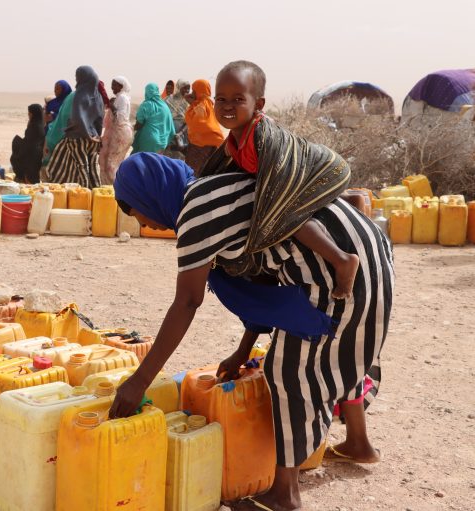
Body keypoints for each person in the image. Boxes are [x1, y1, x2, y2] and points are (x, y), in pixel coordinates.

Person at [110, 152, 393, 511]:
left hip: (340, 274)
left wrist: (140, 381)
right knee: (332, 347)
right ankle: (358, 443)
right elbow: (262, 278)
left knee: (289, 369)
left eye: (139, 213)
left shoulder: (196, 213)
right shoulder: (210, 194)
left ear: (149, 195)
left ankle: (284, 495)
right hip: (370, 254)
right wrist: (243, 349)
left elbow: (187, 302)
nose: (147, 225)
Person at [206, 61, 359, 298]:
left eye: (238, 99)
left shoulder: (263, 137)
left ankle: (342, 260)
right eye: (221, 99)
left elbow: (278, 187)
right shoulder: (234, 141)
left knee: (286, 215)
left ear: (258, 104)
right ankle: (350, 200)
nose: (228, 106)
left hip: (327, 169)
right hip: (311, 172)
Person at [45, 65, 105, 187]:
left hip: (77, 137)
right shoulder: (98, 96)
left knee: (79, 168)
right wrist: (96, 137)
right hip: (93, 139)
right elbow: (99, 119)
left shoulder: (78, 95)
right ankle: (95, 193)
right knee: (93, 169)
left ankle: (83, 195)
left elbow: (77, 117)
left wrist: (86, 135)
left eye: (77, 77)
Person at [184, 79, 225, 173]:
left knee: (194, 173)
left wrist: (192, 103)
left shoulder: (201, 105)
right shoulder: (209, 103)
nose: (192, 93)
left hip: (200, 145)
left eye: (194, 90)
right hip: (211, 143)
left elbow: (197, 124)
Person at [99, 76, 134, 185]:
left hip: (120, 133)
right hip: (118, 132)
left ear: (121, 86)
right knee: (110, 161)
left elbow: (120, 118)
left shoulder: (122, 98)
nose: (111, 87)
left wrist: (112, 106)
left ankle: (117, 187)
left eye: (114, 84)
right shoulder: (121, 97)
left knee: (112, 163)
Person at [132, 83, 175, 154]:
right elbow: (169, 124)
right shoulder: (164, 106)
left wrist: (131, 128)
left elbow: (139, 124)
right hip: (162, 142)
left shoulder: (146, 105)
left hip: (148, 141)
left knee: (143, 162)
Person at [10, 104, 45, 183]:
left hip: (31, 156)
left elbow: (30, 144)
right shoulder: (40, 125)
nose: (29, 116)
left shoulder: (35, 126)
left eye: (29, 114)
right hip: (35, 155)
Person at [163, 79, 191, 159]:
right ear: (179, 87)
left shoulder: (189, 102)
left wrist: (181, 132)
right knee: (167, 156)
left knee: (179, 156)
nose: (187, 91)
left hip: (183, 132)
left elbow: (190, 120)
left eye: (188, 88)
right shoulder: (168, 100)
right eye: (184, 88)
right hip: (168, 131)